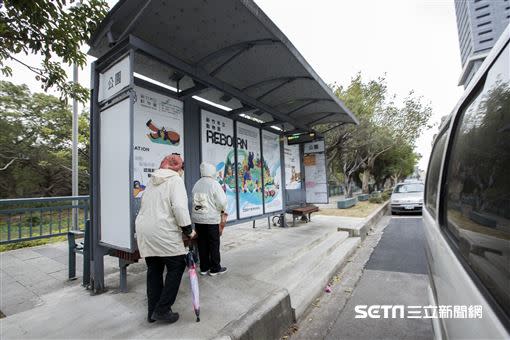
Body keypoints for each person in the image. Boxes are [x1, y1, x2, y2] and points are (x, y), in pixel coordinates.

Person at [135, 154, 196, 324]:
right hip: (162, 230)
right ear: (179, 168)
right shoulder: (175, 180)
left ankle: (152, 311)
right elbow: (179, 207)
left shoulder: (152, 181)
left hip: (145, 230)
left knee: (154, 269)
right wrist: (188, 230)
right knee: (177, 265)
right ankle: (162, 309)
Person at [191, 162, 228, 276]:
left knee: (202, 243)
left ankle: (203, 268)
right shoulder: (214, 184)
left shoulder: (196, 184)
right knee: (214, 243)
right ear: (212, 171)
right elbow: (222, 202)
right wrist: (221, 210)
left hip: (198, 220)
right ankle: (215, 268)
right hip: (211, 219)